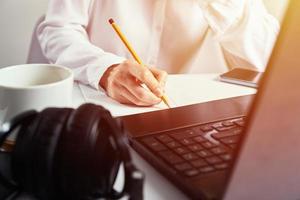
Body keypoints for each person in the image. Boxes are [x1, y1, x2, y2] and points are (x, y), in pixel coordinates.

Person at [37, 0, 279, 106]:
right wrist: (106, 70)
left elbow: (269, 61)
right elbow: (58, 30)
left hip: (195, 119)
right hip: (102, 109)